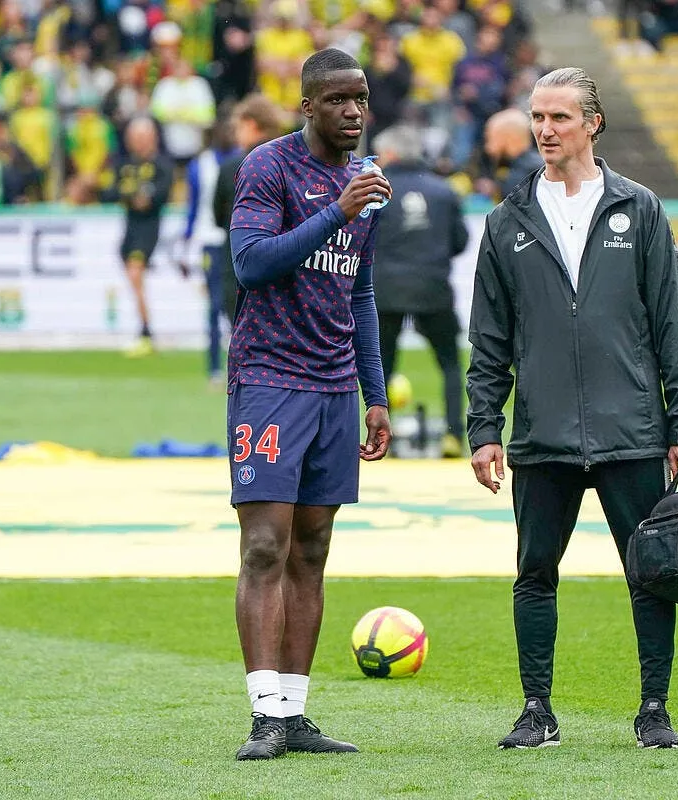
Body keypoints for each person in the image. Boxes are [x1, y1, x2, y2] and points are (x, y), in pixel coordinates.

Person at [466, 67, 678, 750]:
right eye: (537, 117)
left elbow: (672, 328)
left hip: (632, 430)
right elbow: (488, 341)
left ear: (592, 124)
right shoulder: (506, 221)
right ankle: (536, 710)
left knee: (650, 574)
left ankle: (653, 709)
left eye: (559, 118)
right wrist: (485, 429)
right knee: (534, 574)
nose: (545, 130)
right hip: (541, 436)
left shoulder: (642, 209)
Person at [226, 48, 393, 761]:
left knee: (314, 548)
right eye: (337, 100)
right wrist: (334, 212)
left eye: (360, 98)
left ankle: (294, 715)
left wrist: (375, 395)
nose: (353, 111)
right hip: (269, 378)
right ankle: (264, 714)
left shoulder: (367, 183)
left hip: (332, 388)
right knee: (266, 544)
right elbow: (251, 262)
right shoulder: (270, 166)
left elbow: (359, 292)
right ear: (308, 107)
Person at [370, 124, 470, 457]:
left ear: (393, 154)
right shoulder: (444, 191)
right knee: (450, 363)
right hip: (433, 287)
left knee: (381, 365)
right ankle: (454, 435)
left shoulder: (375, 190)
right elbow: (461, 241)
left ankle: (381, 437)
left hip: (385, 290)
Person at [212, 93, 285, 340]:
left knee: (246, 338)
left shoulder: (233, 166)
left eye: (239, 126)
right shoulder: (294, 161)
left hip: (240, 263)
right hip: (285, 263)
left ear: (251, 124)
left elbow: (218, 215)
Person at [182, 104, 239, 384]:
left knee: (238, 304)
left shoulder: (247, 160)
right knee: (215, 303)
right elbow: (193, 207)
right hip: (210, 240)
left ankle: (237, 362)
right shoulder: (200, 164)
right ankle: (215, 367)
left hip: (236, 239)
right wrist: (186, 242)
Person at [115, 117, 175, 356]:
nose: (137, 143)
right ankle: (143, 328)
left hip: (148, 229)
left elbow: (156, 196)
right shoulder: (126, 164)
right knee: (133, 277)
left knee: (135, 272)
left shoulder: (161, 164)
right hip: (129, 229)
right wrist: (133, 196)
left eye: (141, 137)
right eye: (134, 138)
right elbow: (112, 191)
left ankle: (146, 332)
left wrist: (134, 196)